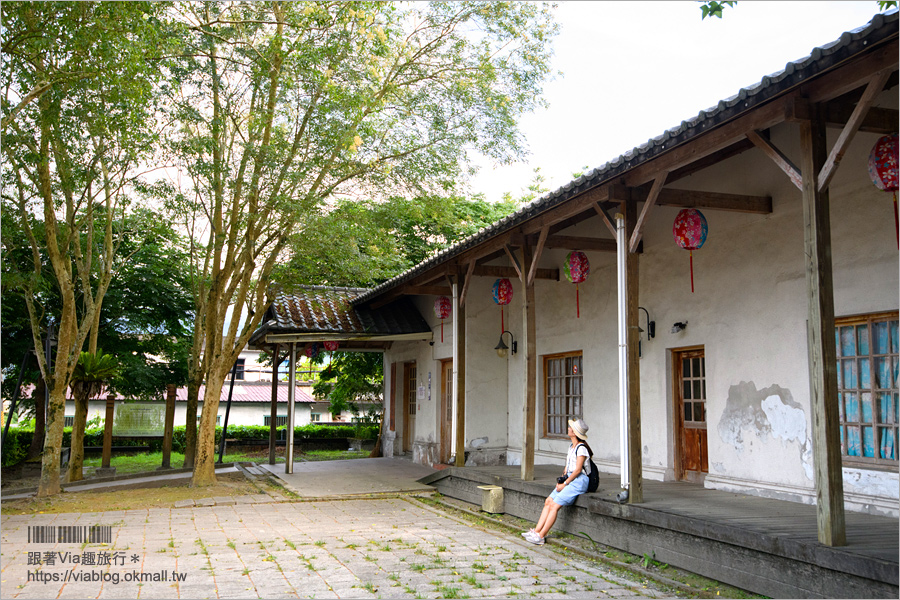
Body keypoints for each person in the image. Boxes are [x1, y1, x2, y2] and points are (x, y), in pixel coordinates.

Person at [522, 418, 591, 545]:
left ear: (575, 432)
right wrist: (561, 480)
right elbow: (568, 467)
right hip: (569, 479)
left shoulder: (581, 448)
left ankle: (541, 536)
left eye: (571, 428)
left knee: (554, 506)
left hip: (578, 481)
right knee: (548, 501)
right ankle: (536, 531)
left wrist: (565, 484)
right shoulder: (572, 446)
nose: (568, 429)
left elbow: (577, 471)